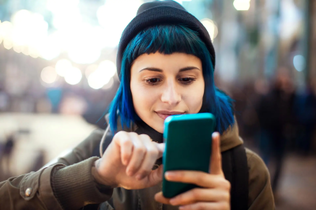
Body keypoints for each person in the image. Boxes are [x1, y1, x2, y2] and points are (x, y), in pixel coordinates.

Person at [0, 1, 274, 209]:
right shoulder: (97, 150)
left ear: (206, 82)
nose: (170, 97)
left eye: (187, 79)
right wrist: (97, 178)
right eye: (153, 80)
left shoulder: (246, 170)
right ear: (128, 85)